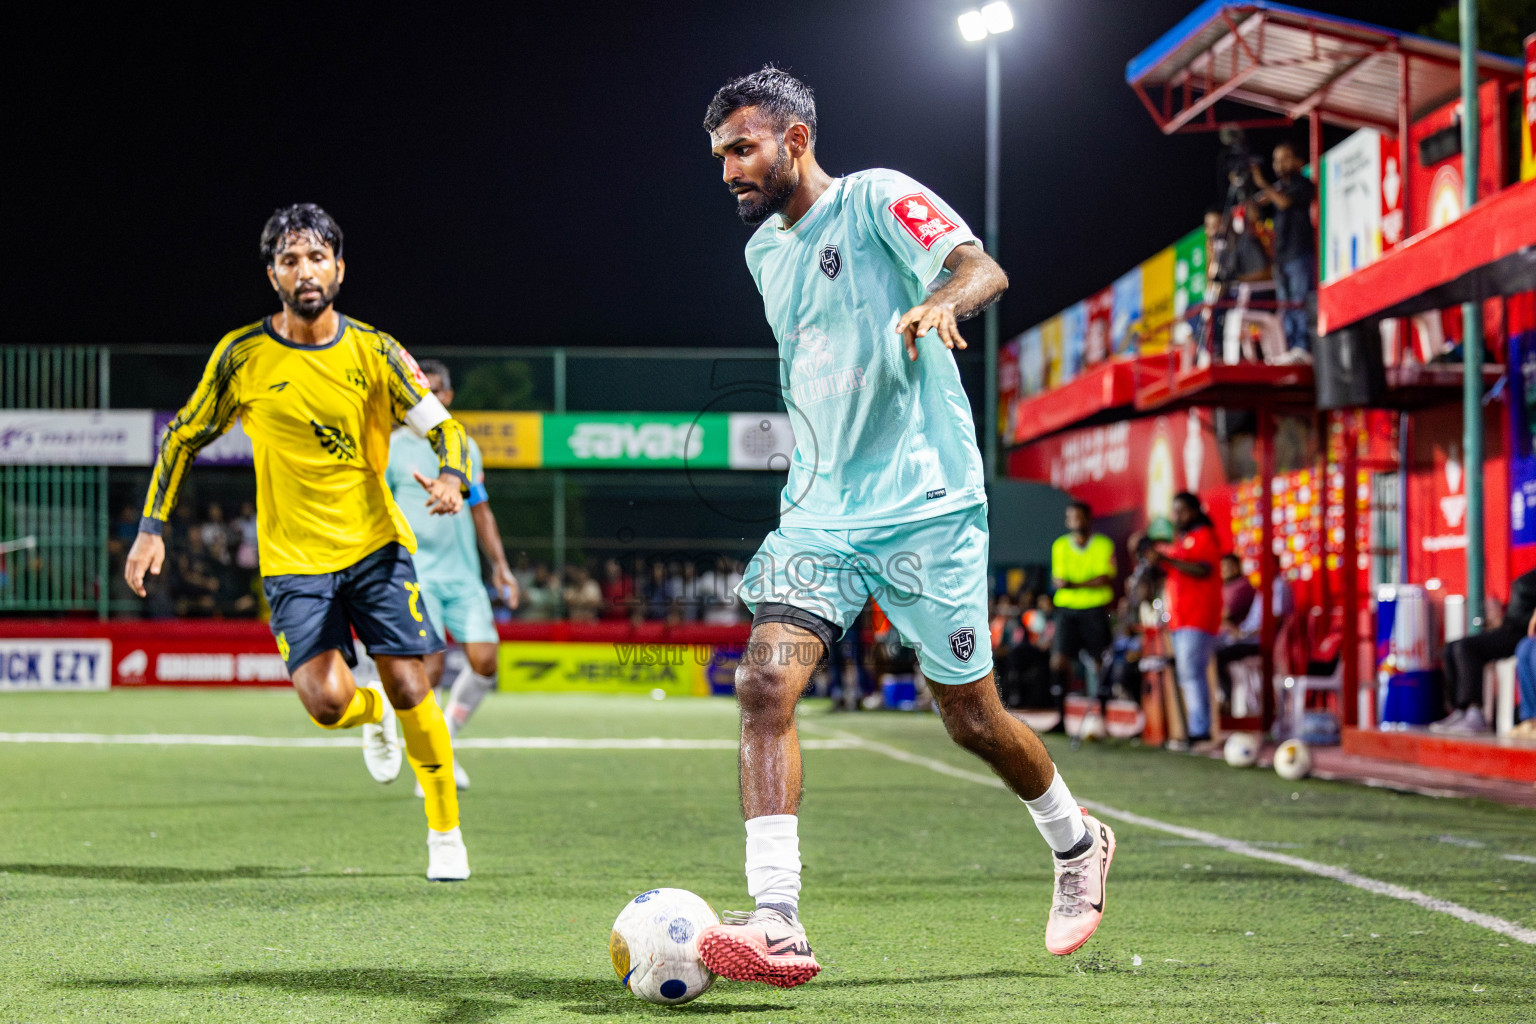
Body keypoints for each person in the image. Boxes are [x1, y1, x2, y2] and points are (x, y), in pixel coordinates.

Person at [696, 67, 1115, 988]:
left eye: (743, 148)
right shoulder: (763, 253)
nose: (728, 168)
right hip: (819, 514)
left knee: (970, 717)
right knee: (766, 687)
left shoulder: (878, 197)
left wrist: (942, 303)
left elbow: (981, 268)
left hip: (926, 503)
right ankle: (777, 920)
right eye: (720, 153)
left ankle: (1077, 842)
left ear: (795, 139)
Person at [123, 204, 473, 881]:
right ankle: (369, 714)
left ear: (339, 268)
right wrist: (150, 529)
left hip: (375, 547)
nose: (304, 270)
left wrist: (454, 476)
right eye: (289, 260)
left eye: (316, 258)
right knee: (327, 703)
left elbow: (446, 429)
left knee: (410, 679)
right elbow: (183, 435)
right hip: (292, 560)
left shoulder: (376, 350)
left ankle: (444, 833)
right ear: (272, 275)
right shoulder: (242, 357)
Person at [379, 358, 518, 793]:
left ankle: (448, 737)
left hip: (464, 576)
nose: (430, 399)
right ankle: (434, 759)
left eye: (437, 391)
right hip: (415, 575)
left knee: (486, 663)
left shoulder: (465, 448)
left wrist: (500, 566)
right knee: (432, 668)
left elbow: (481, 512)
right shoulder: (391, 447)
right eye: (422, 391)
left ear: (449, 396)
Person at [1148, 493, 1222, 747]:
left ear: (1194, 511)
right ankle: (1195, 729)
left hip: (1199, 617)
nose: (1176, 516)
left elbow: (1204, 569)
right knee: (1187, 674)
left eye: (1181, 511)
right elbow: (1172, 569)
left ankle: (1200, 731)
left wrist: (1167, 559)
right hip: (1180, 619)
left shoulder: (1204, 536)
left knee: (1191, 672)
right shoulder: (1183, 540)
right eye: (1174, 511)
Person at [1433, 568, 1536, 735]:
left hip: (1520, 634)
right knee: (1453, 646)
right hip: (1509, 629)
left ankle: (1475, 713)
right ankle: (1462, 709)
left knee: (1524, 649)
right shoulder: (1528, 577)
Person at [1050, 502, 1116, 724]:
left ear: (1088, 519)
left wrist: (1074, 585)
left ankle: (1102, 717)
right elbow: (1060, 581)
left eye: (1079, 517)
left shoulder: (1103, 545)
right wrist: (1084, 584)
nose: (1075, 521)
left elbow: (1105, 577)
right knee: (1059, 661)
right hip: (1067, 610)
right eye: (1071, 517)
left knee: (1100, 662)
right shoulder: (1059, 545)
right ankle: (1061, 718)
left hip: (1095, 609)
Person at [1252, 141, 1317, 360]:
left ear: (1299, 161)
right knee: (1285, 306)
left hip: (1300, 253)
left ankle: (1304, 348)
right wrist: (1248, 192)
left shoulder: (1303, 184)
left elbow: (1284, 203)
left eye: (1285, 158)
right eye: (1276, 159)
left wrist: (1262, 183)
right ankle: (1292, 349)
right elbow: (1256, 215)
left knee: (1300, 302)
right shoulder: (1278, 190)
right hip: (1281, 258)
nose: (1279, 164)